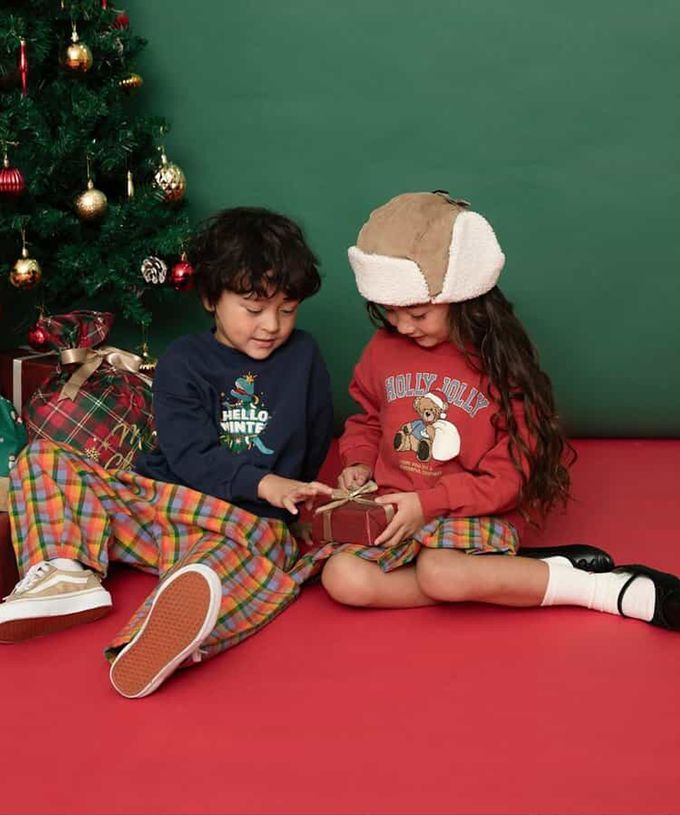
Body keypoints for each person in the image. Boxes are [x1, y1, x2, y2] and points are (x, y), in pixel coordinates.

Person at [0, 206, 335, 697]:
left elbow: (316, 432)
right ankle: (65, 572)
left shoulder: (303, 357)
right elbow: (189, 454)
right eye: (253, 309)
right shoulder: (183, 360)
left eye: (287, 310)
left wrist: (294, 503)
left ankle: (159, 635)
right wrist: (266, 482)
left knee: (236, 563)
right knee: (44, 458)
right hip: (163, 503)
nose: (271, 324)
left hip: (242, 523)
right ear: (211, 298)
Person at [319, 191, 680, 630]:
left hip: (470, 512)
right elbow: (367, 418)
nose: (402, 326)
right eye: (391, 312)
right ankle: (509, 579)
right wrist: (357, 462)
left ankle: (602, 589)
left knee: (440, 571)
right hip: (398, 513)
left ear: (463, 296)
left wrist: (429, 503)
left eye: (417, 313)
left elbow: (508, 479)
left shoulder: (500, 365)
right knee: (341, 577)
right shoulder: (383, 349)